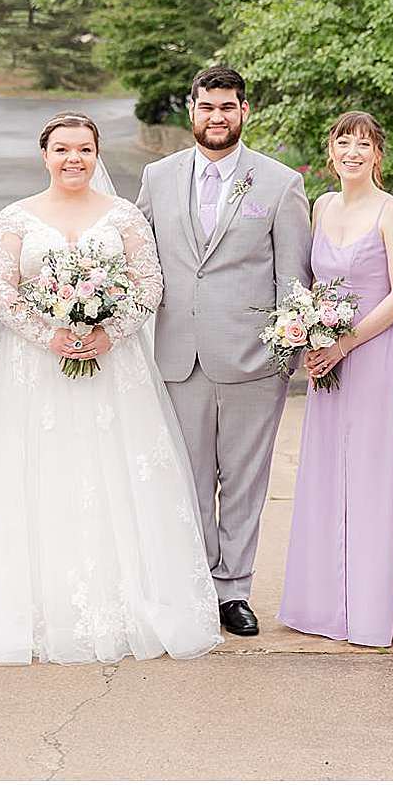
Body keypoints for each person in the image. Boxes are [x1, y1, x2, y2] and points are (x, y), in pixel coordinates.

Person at [0, 112, 221, 665]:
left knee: (113, 475)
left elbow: (149, 283)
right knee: (37, 476)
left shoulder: (124, 216)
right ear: (45, 154)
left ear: (96, 154)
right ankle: (35, 606)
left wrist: (108, 332)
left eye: (84, 149)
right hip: (33, 371)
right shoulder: (15, 218)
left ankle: (129, 602)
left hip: (114, 371)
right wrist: (50, 333)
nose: (73, 159)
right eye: (62, 149)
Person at [136, 66, 313, 637]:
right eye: (208, 106)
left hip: (252, 361)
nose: (218, 117)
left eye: (228, 107)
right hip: (177, 356)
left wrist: (287, 353)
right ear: (192, 110)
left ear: (245, 112)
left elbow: (293, 277)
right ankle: (194, 586)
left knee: (242, 479)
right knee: (186, 479)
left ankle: (233, 589)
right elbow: (138, 261)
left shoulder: (280, 183)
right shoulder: (157, 178)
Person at [279, 111, 393, 647]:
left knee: (370, 477)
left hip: (372, 356)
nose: (353, 152)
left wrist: (344, 342)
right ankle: (323, 605)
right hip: (327, 360)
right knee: (326, 474)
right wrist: (312, 338)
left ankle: (371, 609)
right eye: (343, 141)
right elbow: (317, 287)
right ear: (331, 151)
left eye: (364, 144)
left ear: (378, 154)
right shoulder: (322, 206)